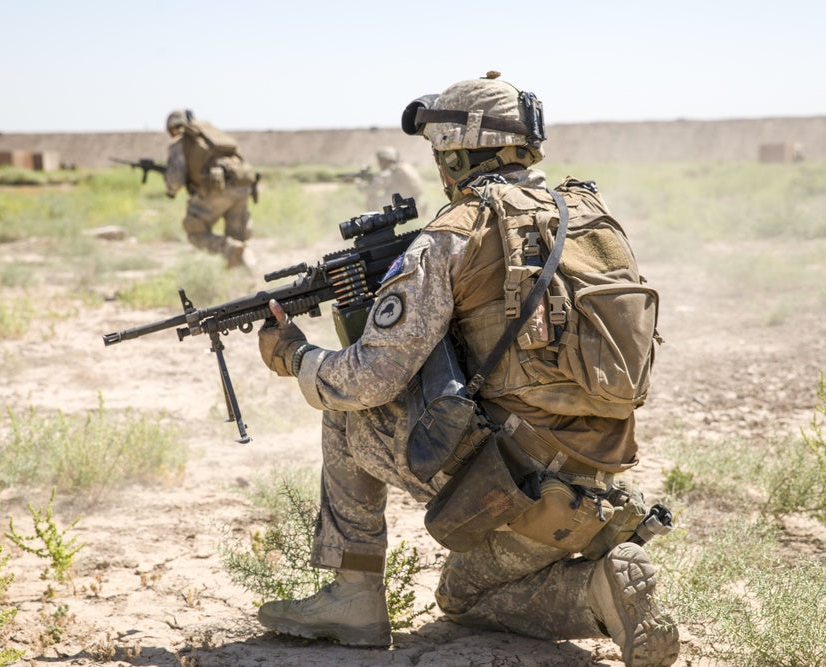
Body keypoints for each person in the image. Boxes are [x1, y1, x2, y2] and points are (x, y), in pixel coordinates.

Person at [255, 72, 680, 667]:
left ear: (456, 153)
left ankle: (353, 599)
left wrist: (294, 356)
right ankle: (599, 589)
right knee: (472, 585)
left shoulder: (456, 234)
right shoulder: (585, 214)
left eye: (439, 154)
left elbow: (366, 380)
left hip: (510, 481)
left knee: (346, 414)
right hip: (597, 476)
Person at [163, 109, 258, 268]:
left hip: (216, 189)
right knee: (239, 239)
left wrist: (169, 187)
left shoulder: (181, 142)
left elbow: (175, 180)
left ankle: (228, 248)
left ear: (172, 127)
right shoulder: (212, 136)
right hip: (242, 185)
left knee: (195, 231)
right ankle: (251, 276)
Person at [357, 146, 425, 214]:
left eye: (380, 160)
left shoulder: (391, 172)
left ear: (385, 160)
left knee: (371, 199)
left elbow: (370, 190)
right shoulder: (403, 166)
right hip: (414, 200)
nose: (379, 164)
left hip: (402, 203)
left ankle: (377, 221)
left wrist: (358, 183)